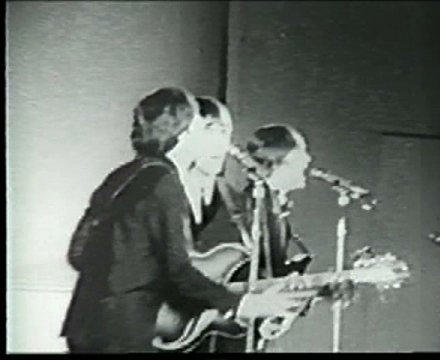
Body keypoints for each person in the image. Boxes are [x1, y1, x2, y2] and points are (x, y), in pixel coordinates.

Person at [60, 87, 316, 353]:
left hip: (86, 322)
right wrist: (242, 305)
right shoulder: (164, 181)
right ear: (183, 134)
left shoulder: (123, 175)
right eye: (202, 130)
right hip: (127, 330)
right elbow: (178, 271)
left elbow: (77, 254)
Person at [188, 123, 354, 352]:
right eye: (301, 151)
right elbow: (210, 277)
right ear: (277, 158)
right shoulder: (240, 212)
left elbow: (266, 285)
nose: (308, 159)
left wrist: (279, 314)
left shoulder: (277, 217)